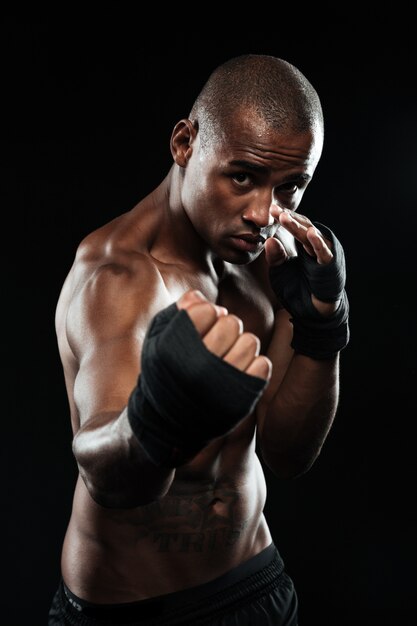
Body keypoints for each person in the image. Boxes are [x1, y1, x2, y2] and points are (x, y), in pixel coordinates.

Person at [48, 53, 349, 625]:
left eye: (291, 187)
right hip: (136, 611)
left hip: (253, 579)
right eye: (243, 177)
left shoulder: (268, 257)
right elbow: (103, 473)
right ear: (185, 143)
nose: (265, 213)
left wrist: (322, 327)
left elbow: (288, 452)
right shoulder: (118, 278)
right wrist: (158, 416)